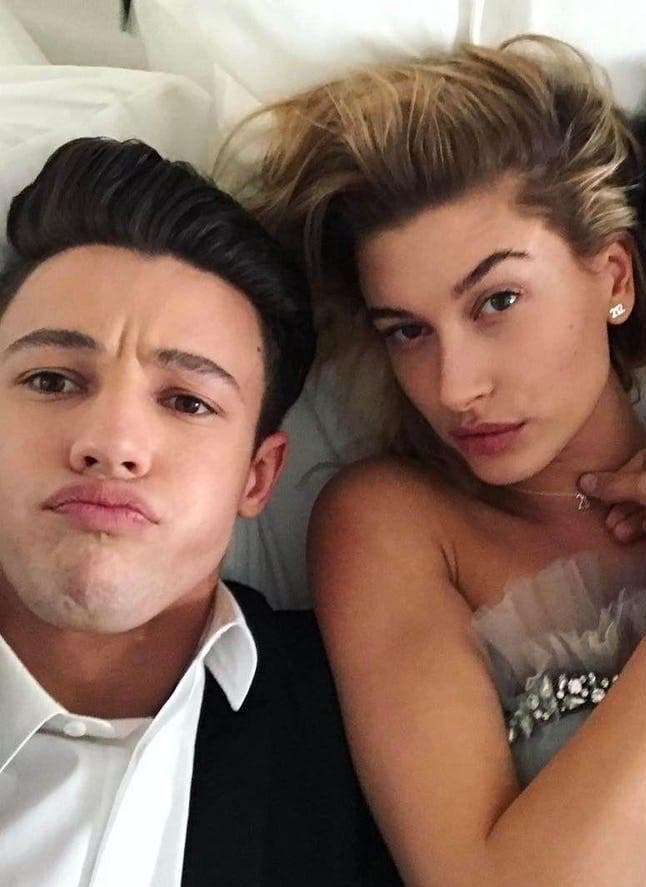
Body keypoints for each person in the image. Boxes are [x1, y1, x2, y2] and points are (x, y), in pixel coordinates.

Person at [235, 36, 646, 885]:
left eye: (498, 300)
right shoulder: (392, 526)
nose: (455, 386)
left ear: (613, 276)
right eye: (408, 331)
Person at [0, 137, 401, 887]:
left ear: (257, 476)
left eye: (187, 401)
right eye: (52, 381)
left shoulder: (373, 733)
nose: (112, 445)